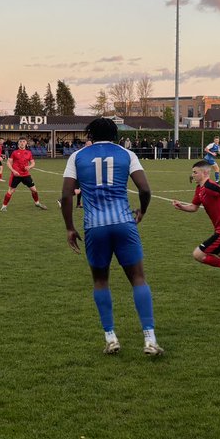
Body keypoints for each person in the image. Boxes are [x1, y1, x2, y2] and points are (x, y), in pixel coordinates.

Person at [61, 117, 162, 356]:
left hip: (95, 226)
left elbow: (66, 196)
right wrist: (143, 210)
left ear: (90, 135)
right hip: (124, 222)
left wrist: (69, 227)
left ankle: (111, 337)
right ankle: (149, 339)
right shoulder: (126, 154)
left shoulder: (77, 157)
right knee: (138, 278)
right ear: (115, 134)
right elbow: (145, 189)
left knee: (100, 281)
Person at [173, 160, 220, 284]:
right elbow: (194, 207)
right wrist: (181, 206)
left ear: (205, 172)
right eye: (193, 172)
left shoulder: (209, 186)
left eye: (195, 172)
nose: (193, 175)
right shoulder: (200, 189)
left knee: (198, 254)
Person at [1, 137, 46, 211]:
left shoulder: (29, 152)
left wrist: (30, 166)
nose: (22, 143)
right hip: (16, 175)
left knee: (34, 190)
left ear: (26, 143)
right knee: (11, 191)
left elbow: (33, 163)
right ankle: (3, 206)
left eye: (24, 141)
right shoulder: (14, 152)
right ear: (18, 143)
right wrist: (13, 171)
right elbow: (8, 163)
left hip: (26, 175)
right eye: (20, 141)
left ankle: (37, 203)